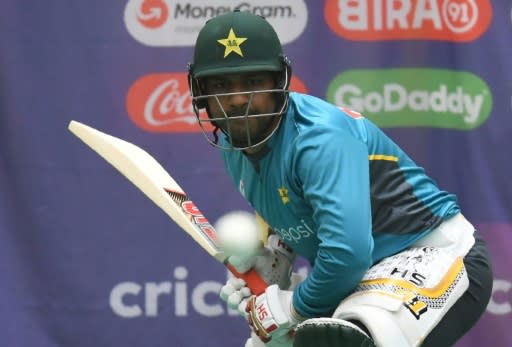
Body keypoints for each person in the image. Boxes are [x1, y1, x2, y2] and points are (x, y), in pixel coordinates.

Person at [187, 10, 493, 347]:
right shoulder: (233, 143)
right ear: (200, 92)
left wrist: (293, 308)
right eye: (220, 85)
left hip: (434, 255)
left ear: (278, 84)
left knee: (346, 338)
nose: (237, 100)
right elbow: (293, 203)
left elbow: (348, 255)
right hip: (362, 281)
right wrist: (276, 258)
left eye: (253, 82)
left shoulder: (319, 139)